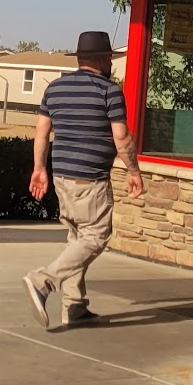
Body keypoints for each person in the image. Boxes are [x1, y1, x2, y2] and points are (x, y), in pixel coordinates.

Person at [23, 30, 143, 328]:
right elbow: (121, 137)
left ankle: (74, 306)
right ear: (102, 58)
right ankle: (42, 281)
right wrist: (134, 171)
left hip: (62, 177)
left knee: (77, 238)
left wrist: (39, 168)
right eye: (110, 58)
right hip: (90, 180)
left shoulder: (56, 88)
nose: (111, 63)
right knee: (96, 236)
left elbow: (41, 131)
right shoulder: (109, 91)